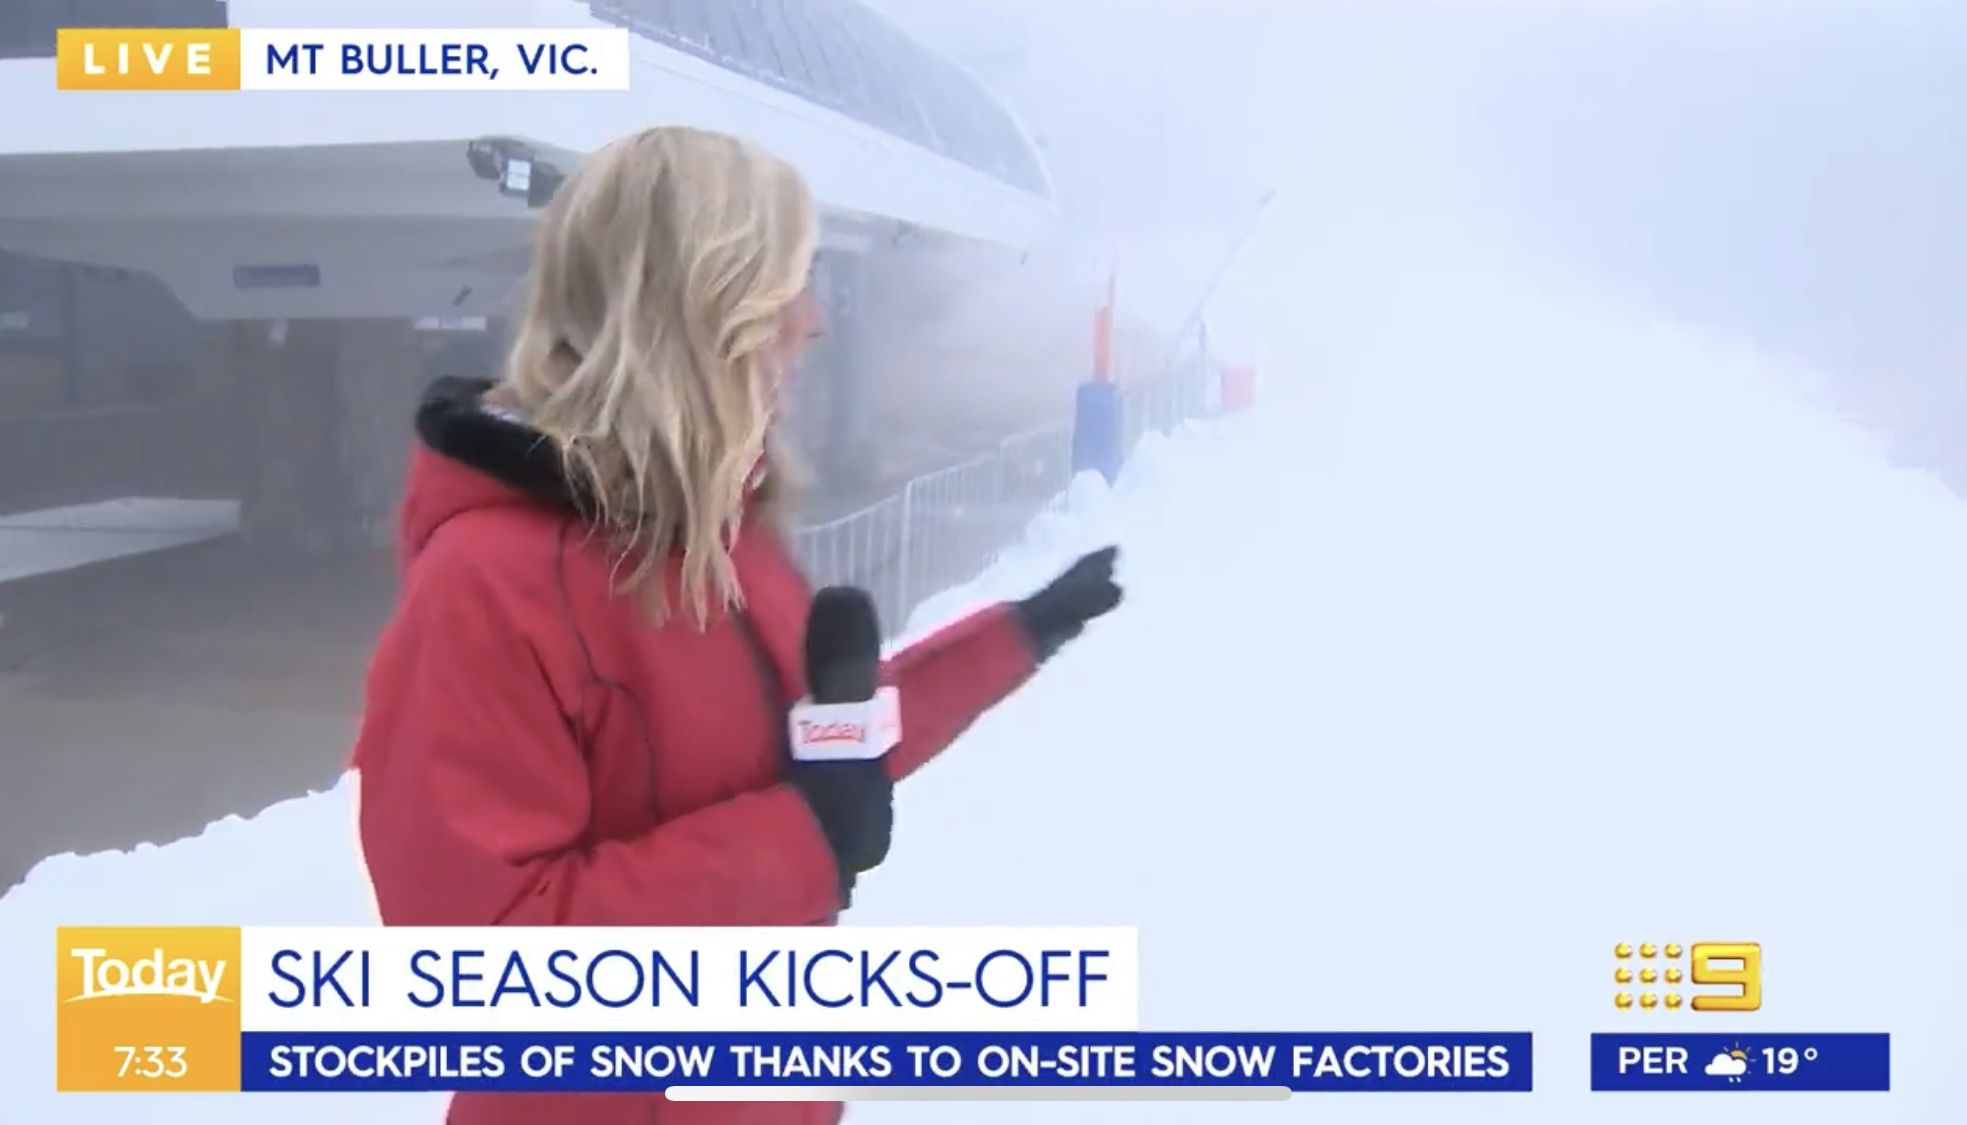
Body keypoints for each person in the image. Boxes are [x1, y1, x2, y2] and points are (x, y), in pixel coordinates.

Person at [350, 126, 1124, 1125]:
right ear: (691, 313)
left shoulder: (717, 535)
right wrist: (797, 841)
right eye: (779, 292)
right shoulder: (487, 590)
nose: (811, 321)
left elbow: (817, 749)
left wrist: (1013, 638)